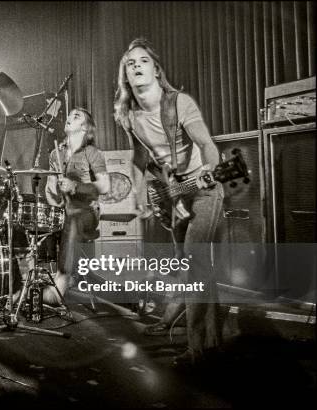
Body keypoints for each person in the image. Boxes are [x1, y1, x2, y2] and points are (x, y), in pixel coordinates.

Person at [113, 38, 224, 366]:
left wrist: (211, 169)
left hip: (203, 189)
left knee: (193, 260)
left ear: (156, 70)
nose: (135, 65)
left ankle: (196, 349)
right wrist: (141, 191)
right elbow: (139, 158)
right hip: (172, 193)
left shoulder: (179, 103)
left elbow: (207, 144)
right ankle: (212, 335)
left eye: (143, 60)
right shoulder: (128, 116)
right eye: (129, 63)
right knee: (194, 263)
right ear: (126, 76)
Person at [44, 108, 110, 303]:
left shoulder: (92, 153)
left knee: (73, 218)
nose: (69, 118)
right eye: (69, 114)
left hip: (87, 212)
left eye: (76, 116)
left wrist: (76, 186)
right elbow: (51, 192)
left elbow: (105, 186)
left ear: (85, 127)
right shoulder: (56, 154)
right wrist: (54, 190)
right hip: (64, 210)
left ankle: (62, 279)